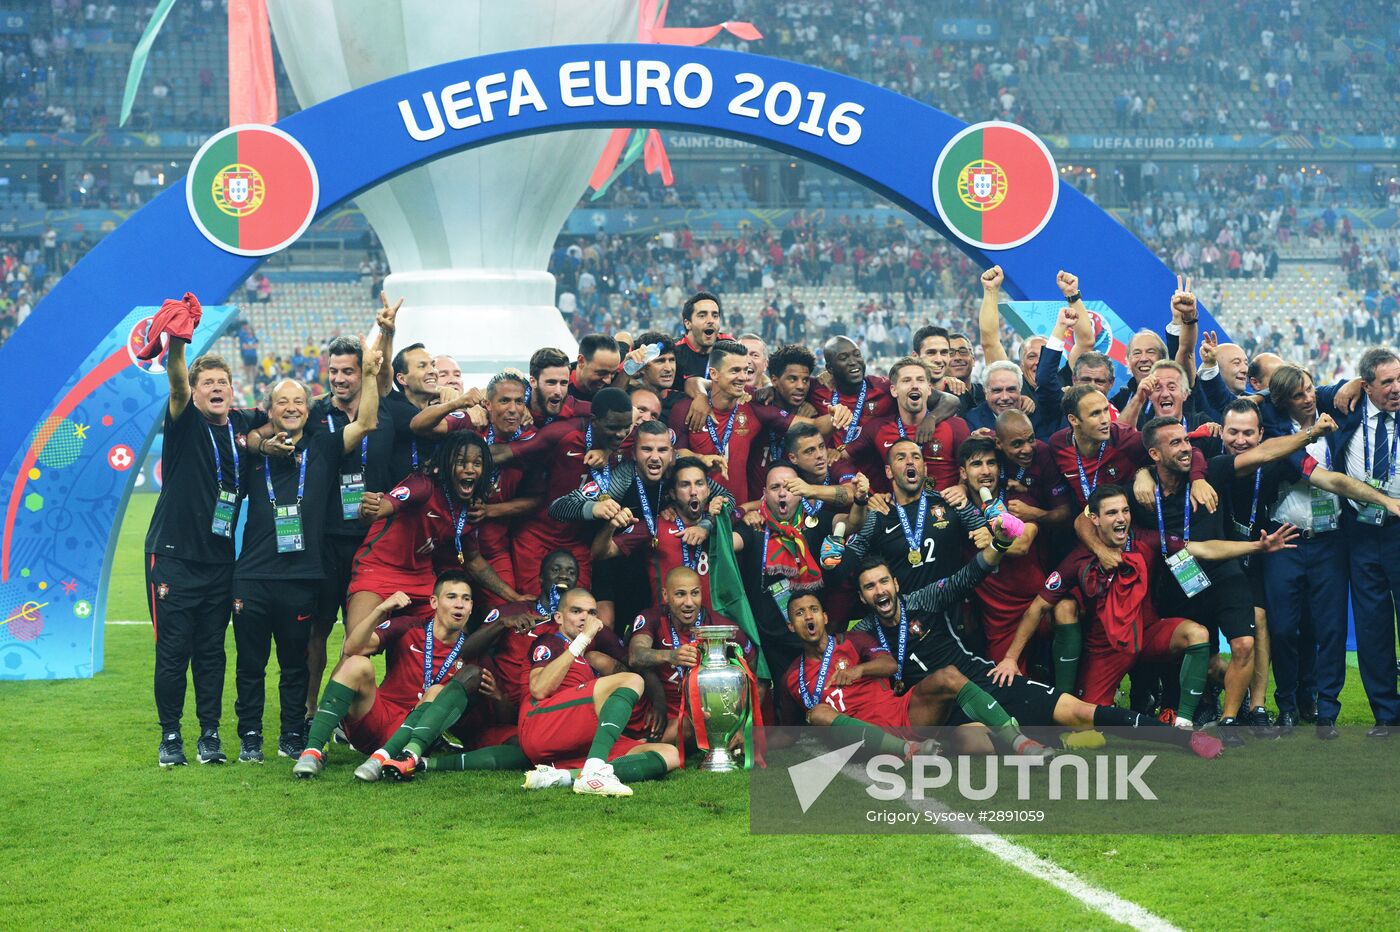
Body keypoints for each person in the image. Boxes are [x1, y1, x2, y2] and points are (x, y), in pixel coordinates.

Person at [1008, 485, 1295, 742]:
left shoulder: (1146, 540)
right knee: (1087, 723)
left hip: (1146, 635)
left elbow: (1202, 548)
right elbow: (1038, 608)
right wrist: (1010, 659)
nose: (1121, 518)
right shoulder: (1078, 559)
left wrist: (1257, 546)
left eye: (1125, 511)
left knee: (1197, 634)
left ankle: (1183, 723)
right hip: (1107, 650)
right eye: (1111, 513)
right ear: (1094, 519)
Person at [146, 327, 283, 766]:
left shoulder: (239, 424)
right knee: (173, 653)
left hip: (220, 562)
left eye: (223, 382)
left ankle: (208, 735)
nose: (217, 388)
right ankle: (170, 737)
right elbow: (176, 379)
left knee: (210, 653)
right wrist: (180, 343)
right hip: (173, 557)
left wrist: (264, 441)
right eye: (208, 383)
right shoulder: (185, 421)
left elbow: (281, 413)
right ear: (195, 392)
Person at [233, 364, 380, 763]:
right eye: (282, 402)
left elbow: (366, 421)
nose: (292, 407)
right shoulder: (254, 455)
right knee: (250, 664)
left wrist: (370, 372)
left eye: (299, 401)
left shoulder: (324, 448)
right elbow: (236, 436)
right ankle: (249, 735)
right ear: (270, 410)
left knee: (295, 665)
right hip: (252, 575)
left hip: (302, 576)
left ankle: (291, 735)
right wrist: (260, 445)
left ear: (308, 410)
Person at [292, 571, 494, 779]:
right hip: (376, 718)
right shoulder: (410, 626)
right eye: (451, 597)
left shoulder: (472, 653)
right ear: (434, 602)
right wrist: (380, 609)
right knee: (357, 663)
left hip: (416, 734)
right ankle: (313, 751)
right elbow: (352, 647)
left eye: (466, 599)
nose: (459, 604)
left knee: (436, 691)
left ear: (471, 608)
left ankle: (381, 759)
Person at [347, 431, 524, 641]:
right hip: (379, 569)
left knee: (452, 641)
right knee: (357, 646)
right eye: (461, 462)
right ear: (446, 464)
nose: (469, 469)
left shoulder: (468, 509)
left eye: (477, 463)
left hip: (421, 578)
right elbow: (384, 506)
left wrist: (515, 597)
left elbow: (473, 561)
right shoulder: (423, 485)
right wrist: (369, 509)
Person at [302, 335, 396, 727]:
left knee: (367, 633)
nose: (339, 379)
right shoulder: (312, 413)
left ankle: (342, 711)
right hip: (325, 540)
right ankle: (309, 711)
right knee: (318, 629)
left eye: (348, 371)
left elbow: (389, 376)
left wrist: (386, 335)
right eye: (333, 371)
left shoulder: (386, 412)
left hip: (372, 542)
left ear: (363, 373)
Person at [517, 588, 681, 796]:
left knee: (668, 754)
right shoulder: (550, 642)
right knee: (631, 680)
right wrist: (583, 639)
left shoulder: (585, 656)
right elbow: (539, 689)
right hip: (541, 726)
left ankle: (564, 777)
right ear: (559, 617)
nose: (585, 618)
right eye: (577, 611)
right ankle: (594, 769)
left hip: (574, 736)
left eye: (592, 613)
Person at [1317, 347, 1400, 737]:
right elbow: (1290, 391)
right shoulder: (1345, 409)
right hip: (1360, 533)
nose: (1397, 388)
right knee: (1372, 627)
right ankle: (1386, 716)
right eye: (1387, 382)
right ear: (1366, 386)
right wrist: (1347, 385)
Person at [491, 386, 635, 590]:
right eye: (613, 428)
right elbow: (505, 453)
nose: (621, 434)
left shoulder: (631, 438)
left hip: (579, 542)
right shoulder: (562, 434)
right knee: (533, 608)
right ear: (594, 421)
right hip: (538, 535)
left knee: (579, 608)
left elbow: (662, 444)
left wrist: (608, 450)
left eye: (626, 427)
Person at [626, 566, 759, 746]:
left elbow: (753, 671)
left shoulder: (718, 625)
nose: (689, 602)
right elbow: (635, 655)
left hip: (700, 712)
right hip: (656, 709)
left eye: (694, 593)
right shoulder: (652, 617)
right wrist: (670, 656)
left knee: (688, 725)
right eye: (680, 594)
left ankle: (644, 750)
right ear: (665, 595)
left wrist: (742, 724)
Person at [864, 357, 968, 493]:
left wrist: (963, 487)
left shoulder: (955, 426)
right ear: (894, 390)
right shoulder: (877, 428)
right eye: (907, 380)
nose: (914, 385)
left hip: (946, 510)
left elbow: (970, 467)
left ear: (929, 389)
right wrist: (873, 496)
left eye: (920, 380)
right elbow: (848, 460)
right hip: (899, 511)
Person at [673, 291, 725, 381]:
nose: (710, 320)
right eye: (702, 316)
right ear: (688, 323)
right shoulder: (673, 352)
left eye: (715, 315)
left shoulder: (729, 348)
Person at [570, 333, 621, 401]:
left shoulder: (620, 368)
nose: (608, 381)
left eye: (613, 373)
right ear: (581, 361)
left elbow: (624, 336)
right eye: (602, 373)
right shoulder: (559, 384)